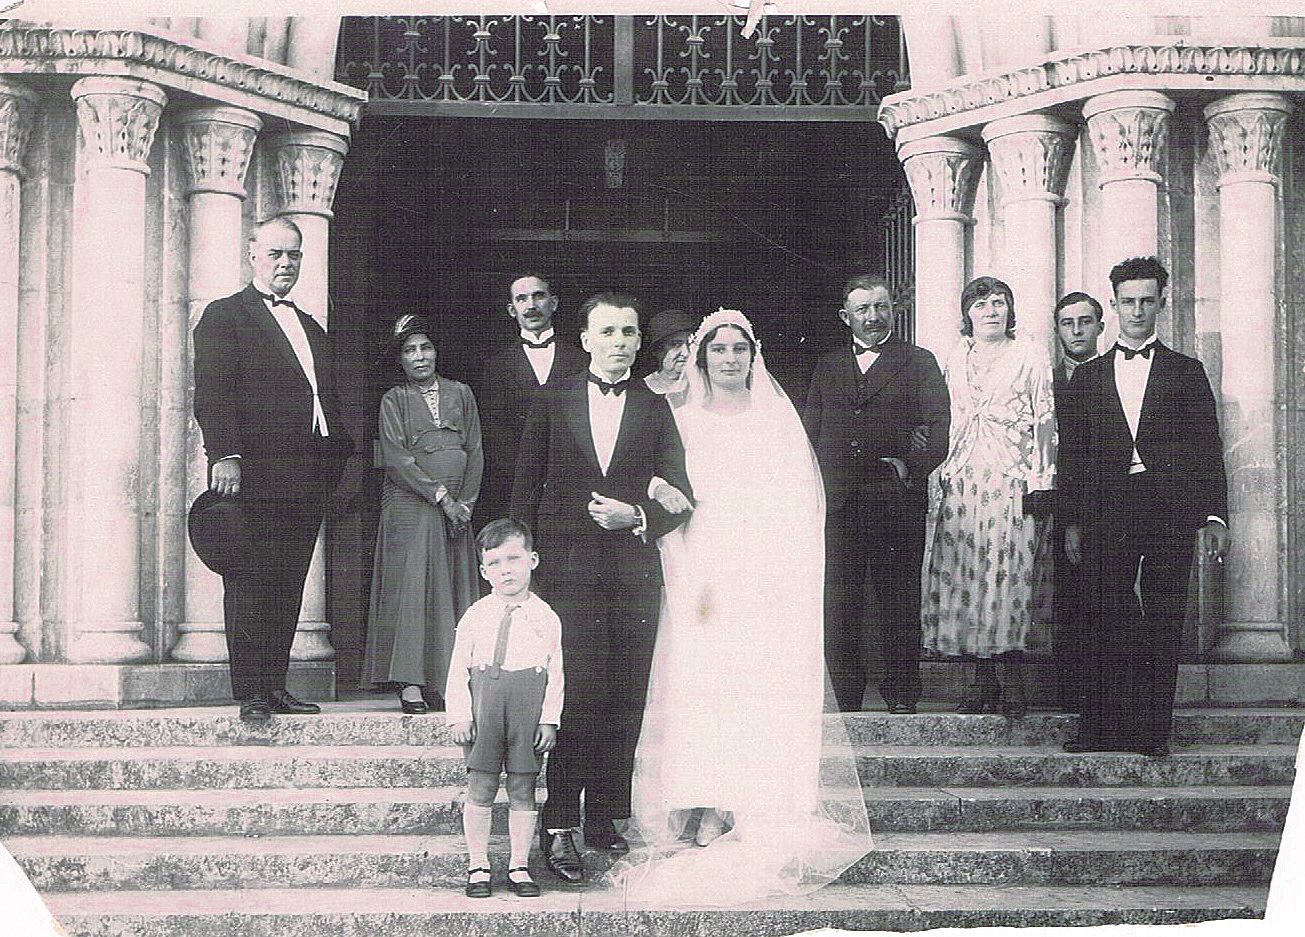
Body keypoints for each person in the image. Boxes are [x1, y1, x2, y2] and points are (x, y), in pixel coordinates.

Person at [612, 308, 871, 907]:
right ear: (701, 358)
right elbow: (661, 485)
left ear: (753, 356)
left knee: (750, 688)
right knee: (702, 684)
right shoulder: (680, 419)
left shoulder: (775, 420)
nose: (729, 359)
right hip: (700, 573)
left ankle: (735, 804)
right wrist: (665, 501)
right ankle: (698, 795)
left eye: (739, 349)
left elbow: (798, 507)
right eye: (718, 349)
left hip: (758, 578)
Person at [510, 291, 692, 883]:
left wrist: (636, 515)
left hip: (634, 575)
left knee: (625, 693)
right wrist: (523, 571)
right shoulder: (553, 398)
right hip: (567, 574)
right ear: (585, 339)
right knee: (576, 696)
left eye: (629, 332)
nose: (619, 342)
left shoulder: (654, 407)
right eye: (608, 331)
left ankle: (606, 816)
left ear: (640, 343)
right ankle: (559, 824)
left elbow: (682, 494)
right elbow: (525, 487)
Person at [1060, 257, 1228, 757]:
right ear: (1114, 306)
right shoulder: (1088, 377)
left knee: (1164, 614)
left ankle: (1152, 731)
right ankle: (1099, 727)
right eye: (1128, 301)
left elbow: (1208, 447)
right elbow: (1072, 456)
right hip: (1105, 507)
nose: (1137, 311)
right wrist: (1071, 521)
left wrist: (1214, 516)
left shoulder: (1186, 371)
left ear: (1160, 304)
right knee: (1103, 613)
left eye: (1146, 301)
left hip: (1169, 508)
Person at [192, 216, 353, 724]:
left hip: (306, 478)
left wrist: (335, 459)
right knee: (248, 581)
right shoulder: (224, 316)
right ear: (253, 257)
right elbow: (213, 392)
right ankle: (251, 693)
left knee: (288, 582)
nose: (286, 263)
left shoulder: (310, 326)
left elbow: (323, 399)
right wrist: (225, 455)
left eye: (294, 255)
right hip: (254, 475)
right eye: (276, 254)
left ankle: (276, 686)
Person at [804, 276, 950, 714]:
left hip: (894, 500)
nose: (873, 317)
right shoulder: (828, 366)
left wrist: (911, 467)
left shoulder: (919, 361)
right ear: (845, 316)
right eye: (863, 309)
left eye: (881, 307)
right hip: (839, 502)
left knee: (898, 597)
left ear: (893, 310)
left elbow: (940, 428)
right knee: (840, 599)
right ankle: (846, 695)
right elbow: (810, 432)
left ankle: (902, 693)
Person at [921, 276, 1056, 717]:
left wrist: (1041, 482)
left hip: (1011, 478)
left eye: (999, 303)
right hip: (964, 478)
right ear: (968, 314)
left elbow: (1045, 418)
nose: (991, 311)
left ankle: (1011, 677)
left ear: (1009, 310)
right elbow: (945, 418)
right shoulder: (956, 357)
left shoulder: (1029, 354)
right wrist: (938, 472)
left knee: (1009, 575)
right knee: (968, 575)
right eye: (980, 305)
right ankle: (981, 680)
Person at [360, 315, 483, 713]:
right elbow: (397, 458)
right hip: (411, 506)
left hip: (457, 510)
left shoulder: (461, 393)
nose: (419, 356)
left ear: (436, 351)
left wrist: (465, 503)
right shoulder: (393, 400)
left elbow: (475, 450)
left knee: (450, 587)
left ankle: (447, 680)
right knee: (413, 590)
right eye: (410, 350)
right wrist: (441, 496)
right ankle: (410, 681)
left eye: (425, 347)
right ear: (400, 359)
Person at [445, 518, 563, 899]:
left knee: (522, 786)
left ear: (533, 560)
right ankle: (478, 864)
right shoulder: (475, 615)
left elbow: (556, 672)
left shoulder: (546, 617)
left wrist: (549, 719)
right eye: (494, 563)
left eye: (513, 559)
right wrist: (460, 715)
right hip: (486, 709)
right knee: (480, 785)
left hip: (527, 710)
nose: (505, 570)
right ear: (483, 571)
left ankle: (519, 865)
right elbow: (458, 669)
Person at [477, 274, 587, 528]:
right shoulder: (496, 366)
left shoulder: (581, 360)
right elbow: (493, 434)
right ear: (511, 310)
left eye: (538, 296)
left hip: (571, 486)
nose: (531, 305)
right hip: (516, 486)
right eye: (522, 299)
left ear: (554, 303)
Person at [1049, 291, 1105, 714]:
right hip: (1053, 504)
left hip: (1103, 505)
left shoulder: (1114, 376)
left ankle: (1097, 694)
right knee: (1063, 599)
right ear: (1058, 331)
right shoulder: (1045, 381)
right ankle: (1068, 691)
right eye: (1068, 323)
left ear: (1100, 326)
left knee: (1100, 598)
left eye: (1085, 322)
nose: (1077, 331)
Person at [641, 309, 695, 395]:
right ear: (657, 350)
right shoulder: (636, 391)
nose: (686, 353)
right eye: (676, 344)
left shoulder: (707, 387)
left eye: (690, 344)